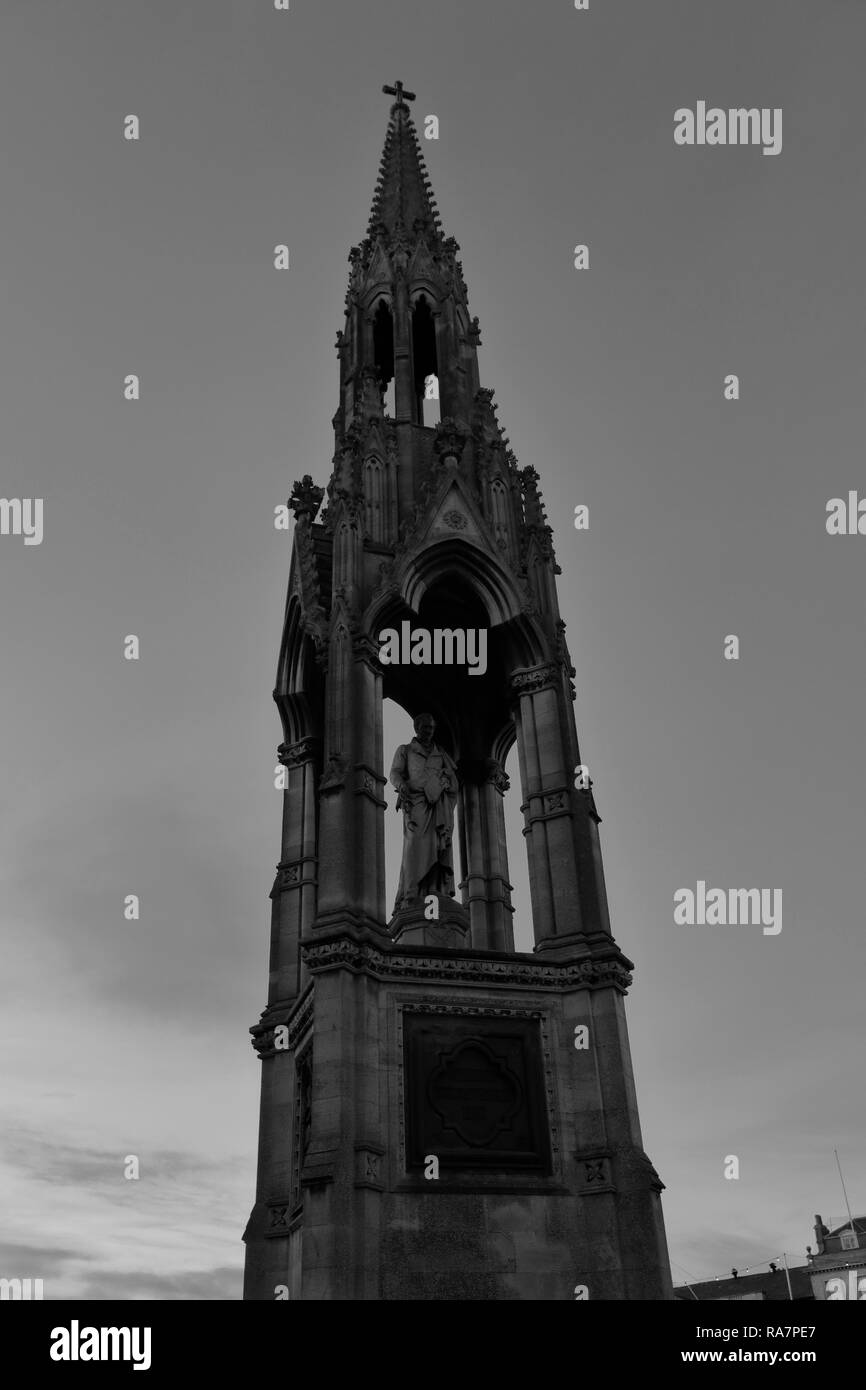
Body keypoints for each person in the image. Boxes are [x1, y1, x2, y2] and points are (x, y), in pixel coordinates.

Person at [389, 713, 458, 911]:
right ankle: (411, 894)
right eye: (426, 727)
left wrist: (445, 780)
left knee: (438, 846)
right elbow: (395, 772)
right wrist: (401, 784)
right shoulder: (406, 750)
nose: (429, 731)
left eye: (431, 728)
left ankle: (435, 890)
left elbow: (453, 780)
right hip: (416, 803)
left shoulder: (441, 753)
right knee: (415, 846)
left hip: (437, 805)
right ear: (417, 728)